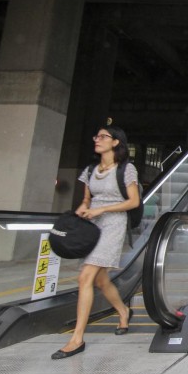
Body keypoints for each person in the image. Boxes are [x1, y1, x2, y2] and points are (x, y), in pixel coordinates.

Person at [51, 126, 140, 360]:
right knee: (100, 280)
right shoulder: (91, 170)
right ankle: (123, 311)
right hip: (92, 226)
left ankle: (77, 338)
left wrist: (102, 209)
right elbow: (87, 199)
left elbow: (133, 202)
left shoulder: (126, 169)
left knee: (85, 277)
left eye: (103, 137)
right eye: (96, 136)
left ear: (116, 142)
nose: (97, 140)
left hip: (113, 224)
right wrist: (83, 209)